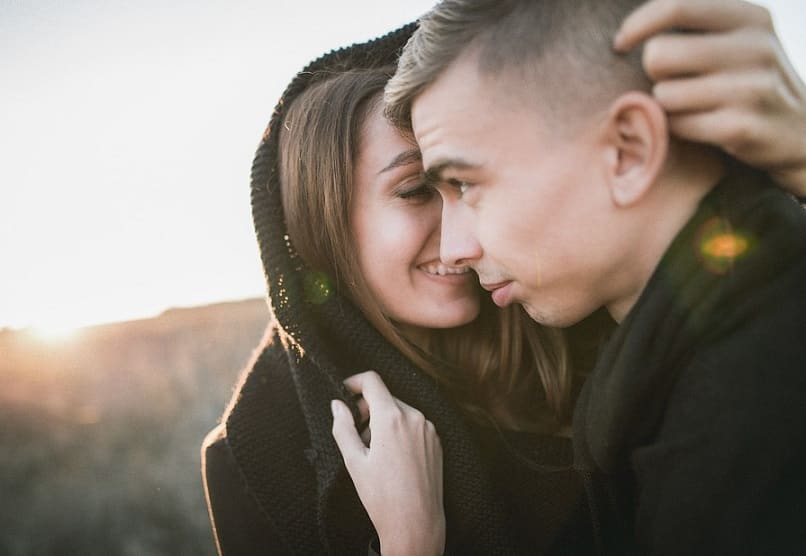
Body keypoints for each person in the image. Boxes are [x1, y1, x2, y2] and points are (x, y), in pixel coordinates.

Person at [202, 1, 806, 554]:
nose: (464, 244)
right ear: (320, 228)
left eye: (466, 184)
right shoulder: (263, 455)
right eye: (419, 191)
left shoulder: (589, 312)